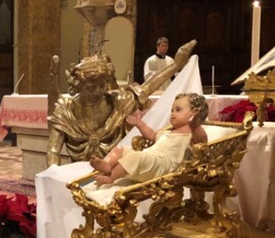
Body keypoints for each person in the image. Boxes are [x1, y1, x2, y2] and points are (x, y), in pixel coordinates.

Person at [46, 40, 195, 166]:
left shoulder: (118, 103)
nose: (98, 92)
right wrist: (54, 177)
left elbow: (146, 89)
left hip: (113, 171)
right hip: (76, 174)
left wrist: (176, 66)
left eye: (102, 86)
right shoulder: (65, 111)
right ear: (78, 87)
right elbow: (53, 151)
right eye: (91, 88)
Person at [90, 92, 208, 185]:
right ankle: (107, 165)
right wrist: (139, 123)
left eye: (178, 110)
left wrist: (195, 120)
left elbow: (202, 140)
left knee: (135, 157)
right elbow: (151, 135)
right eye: (172, 110)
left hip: (162, 166)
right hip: (150, 157)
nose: (172, 113)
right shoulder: (166, 132)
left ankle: (111, 177)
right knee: (121, 149)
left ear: (194, 112)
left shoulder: (191, 133)